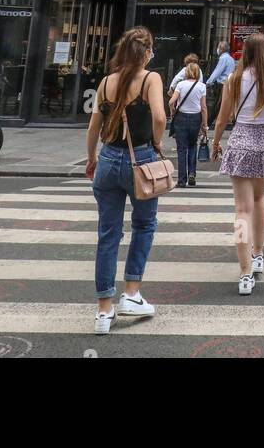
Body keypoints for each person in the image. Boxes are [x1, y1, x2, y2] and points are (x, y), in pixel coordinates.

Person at [85, 26, 166, 335]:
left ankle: (103, 311)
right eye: (151, 51)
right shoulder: (150, 79)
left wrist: (92, 158)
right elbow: (159, 117)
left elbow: (94, 126)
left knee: (108, 233)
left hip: (107, 159)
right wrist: (157, 144)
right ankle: (131, 293)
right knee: (144, 224)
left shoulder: (106, 82)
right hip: (140, 160)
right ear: (146, 53)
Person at [212, 32, 264, 295]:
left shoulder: (233, 79)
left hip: (241, 140)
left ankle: (245, 271)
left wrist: (215, 142)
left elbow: (222, 117)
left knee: (241, 210)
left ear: (244, 52)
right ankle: (259, 254)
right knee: (260, 200)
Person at [167, 53, 207, 187]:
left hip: (181, 118)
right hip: (196, 117)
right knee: (192, 146)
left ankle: (181, 179)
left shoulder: (181, 85)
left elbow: (171, 101)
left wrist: (173, 110)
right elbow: (204, 107)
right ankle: (192, 174)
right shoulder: (201, 87)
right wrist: (204, 124)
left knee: (181, 149)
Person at [205, 39, 233, 122]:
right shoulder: (231, 59)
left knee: (216, 105)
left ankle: (208, 123)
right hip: (228, 84)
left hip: (222, 84)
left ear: (221, 49)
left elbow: (217, 71)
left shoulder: (223, 58)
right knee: (221, 104)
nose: (217, 49)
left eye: (218, 47)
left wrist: (208, 82)